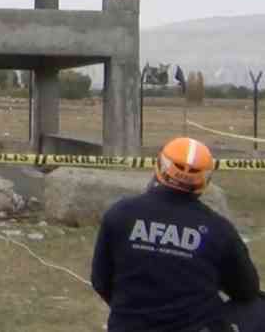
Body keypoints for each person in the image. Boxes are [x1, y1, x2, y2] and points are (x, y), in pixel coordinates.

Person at [91, 137, 265, 332]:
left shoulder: (120, 213)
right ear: (205, 180)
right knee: (258, 307)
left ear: (159, 166)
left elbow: (100, 280)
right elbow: (246, 289)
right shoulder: (218, 229)